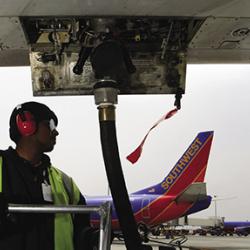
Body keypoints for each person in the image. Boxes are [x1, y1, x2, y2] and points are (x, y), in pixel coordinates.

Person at [0, 101, 98, 250]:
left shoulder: (66, 183)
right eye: (50, 124)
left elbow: (80, 228)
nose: (56, 132)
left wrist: (92, 237)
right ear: (26, 125)